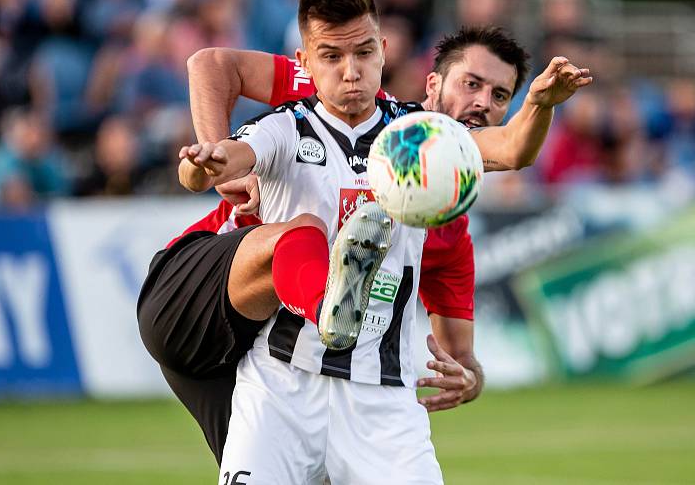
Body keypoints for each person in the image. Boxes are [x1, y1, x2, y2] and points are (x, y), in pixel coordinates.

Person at [140, 30, 590, 467]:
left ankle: (327, 310)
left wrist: (469, 379)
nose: (482, 103)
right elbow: (212, 64)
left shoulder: (450, 235)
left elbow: (460, 356)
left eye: (499, 96)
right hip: (190, 295)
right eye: (471, 84)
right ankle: (325, 306)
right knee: (301, 231)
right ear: (432, 85)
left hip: (246, 355)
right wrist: (224, 165)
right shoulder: (347, 101)